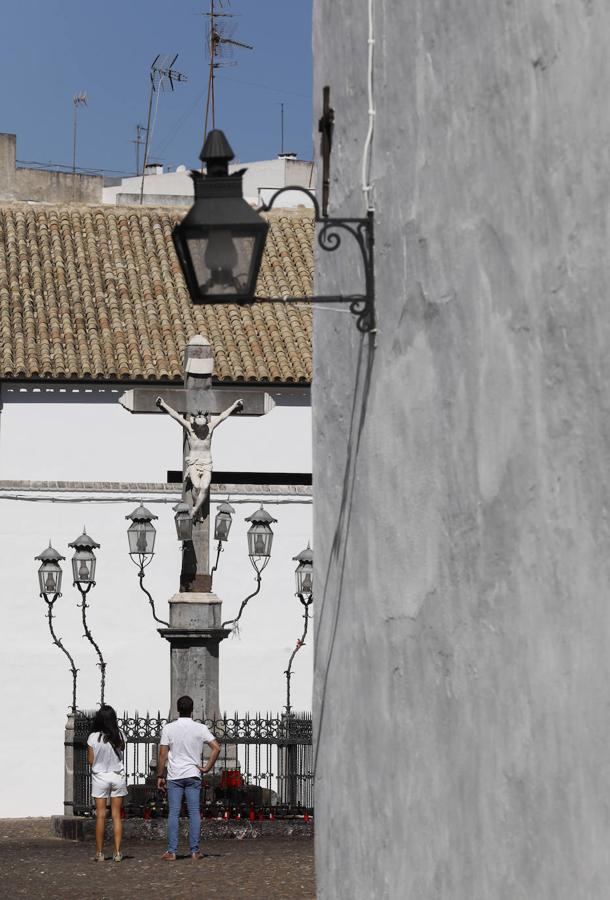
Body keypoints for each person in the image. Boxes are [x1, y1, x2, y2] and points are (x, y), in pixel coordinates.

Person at [155, 396, 243, 520]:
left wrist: (234, 405)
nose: (201, 429)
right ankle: (199, 509)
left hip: (207, 462)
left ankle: (195, 509)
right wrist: (163, 404)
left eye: (203, 426)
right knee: (196, 486)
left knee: (205, 486)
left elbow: (223, 416)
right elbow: (175, 416)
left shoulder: (210, 427)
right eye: (199, 426)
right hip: (194, 463)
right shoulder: (189, 428)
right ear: (194, 421)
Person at [157, 695, 221, 860]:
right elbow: (216, 747)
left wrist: (160, 775)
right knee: (194, 813)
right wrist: (207, 767)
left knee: (174, 813)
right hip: (193, 774)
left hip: (175, 775)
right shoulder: (199, 728)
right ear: (192, 710)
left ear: (178, 709)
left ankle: (172, 851)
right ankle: (195, 850)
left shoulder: (169, 728)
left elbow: (163, 754)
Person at [87, 705, 127, 862]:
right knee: (117, 816)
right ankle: (117, 852)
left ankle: (99, 853)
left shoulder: (93, 737)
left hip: (100, 778)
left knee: (101, 816)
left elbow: (90, 761)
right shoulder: (120, 735)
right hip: (117, 776)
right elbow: (121, 751)